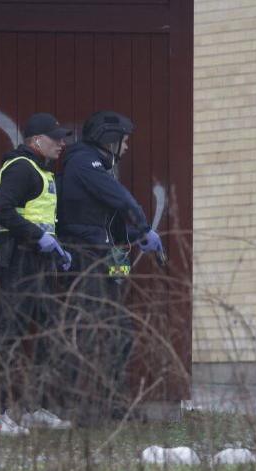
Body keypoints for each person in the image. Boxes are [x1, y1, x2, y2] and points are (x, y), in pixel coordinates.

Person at [56, 110, 162, 422]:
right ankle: (81, 408)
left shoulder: (97, 166)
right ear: (109, 139)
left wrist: (133, 236)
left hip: (98, 254)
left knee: (118, 331)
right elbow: (122, 199)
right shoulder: (83, 163)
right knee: (90, 330)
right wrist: (143, 226)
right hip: (84, 256)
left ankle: (114, 404)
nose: (127, 147)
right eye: (124, 141)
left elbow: (108, 223)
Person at [0, 112, 74, 435]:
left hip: (40, 263)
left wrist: (56, 249)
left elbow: (40, 218)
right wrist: (39, 237)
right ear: (37, 141)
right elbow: (1, 210)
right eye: (56, 138)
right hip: (20, 262)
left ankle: (36, 408)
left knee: (49, 335)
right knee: (9, 337)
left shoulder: (41, 170)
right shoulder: (22, 168)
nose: (62, 143)